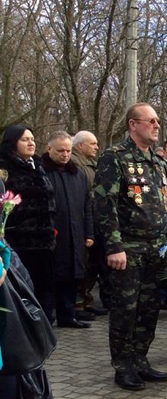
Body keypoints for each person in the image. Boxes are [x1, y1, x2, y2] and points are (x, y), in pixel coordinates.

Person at [94, 102, 167, 390]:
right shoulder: (114, 158)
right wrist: (114, 246)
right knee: (125, 309)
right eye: (150, 120)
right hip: (128, 248)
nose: (156, 125)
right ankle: (123, 366)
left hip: (157, 248)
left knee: (149, 308)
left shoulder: (158, 161)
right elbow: (105, 206)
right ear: (133, 124)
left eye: (157, 121)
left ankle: (140, 360)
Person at [0, 126, 56, 320]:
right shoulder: (4, 170)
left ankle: (44, 330)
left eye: (32, 139)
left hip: (44, 242)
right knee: (23, 291)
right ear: (12, 142)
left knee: (45, 291)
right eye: (25, 139)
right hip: (18, 244)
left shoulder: (38, 167)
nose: (31, 143)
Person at [42, 131, 94, 328]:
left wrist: (88, 233)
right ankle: (46, 318)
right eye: (60, 151)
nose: (65, 155)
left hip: (75, 232)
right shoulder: (42, 172)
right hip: (52, 233)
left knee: (72, 275)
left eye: (68, 151)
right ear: (49, 149)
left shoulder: (77, 173)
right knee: (50, 277)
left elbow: (86, 205)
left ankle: (68, 314)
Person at [70, 130, 108, 318]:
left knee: (92, 265)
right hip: (83, 220)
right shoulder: (75, 164)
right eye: (92, 144)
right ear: (80, 145)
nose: (96, 147)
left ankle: (86, 300)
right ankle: (77, 304)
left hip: (94, 219)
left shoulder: (91, 163)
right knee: (83, 264)